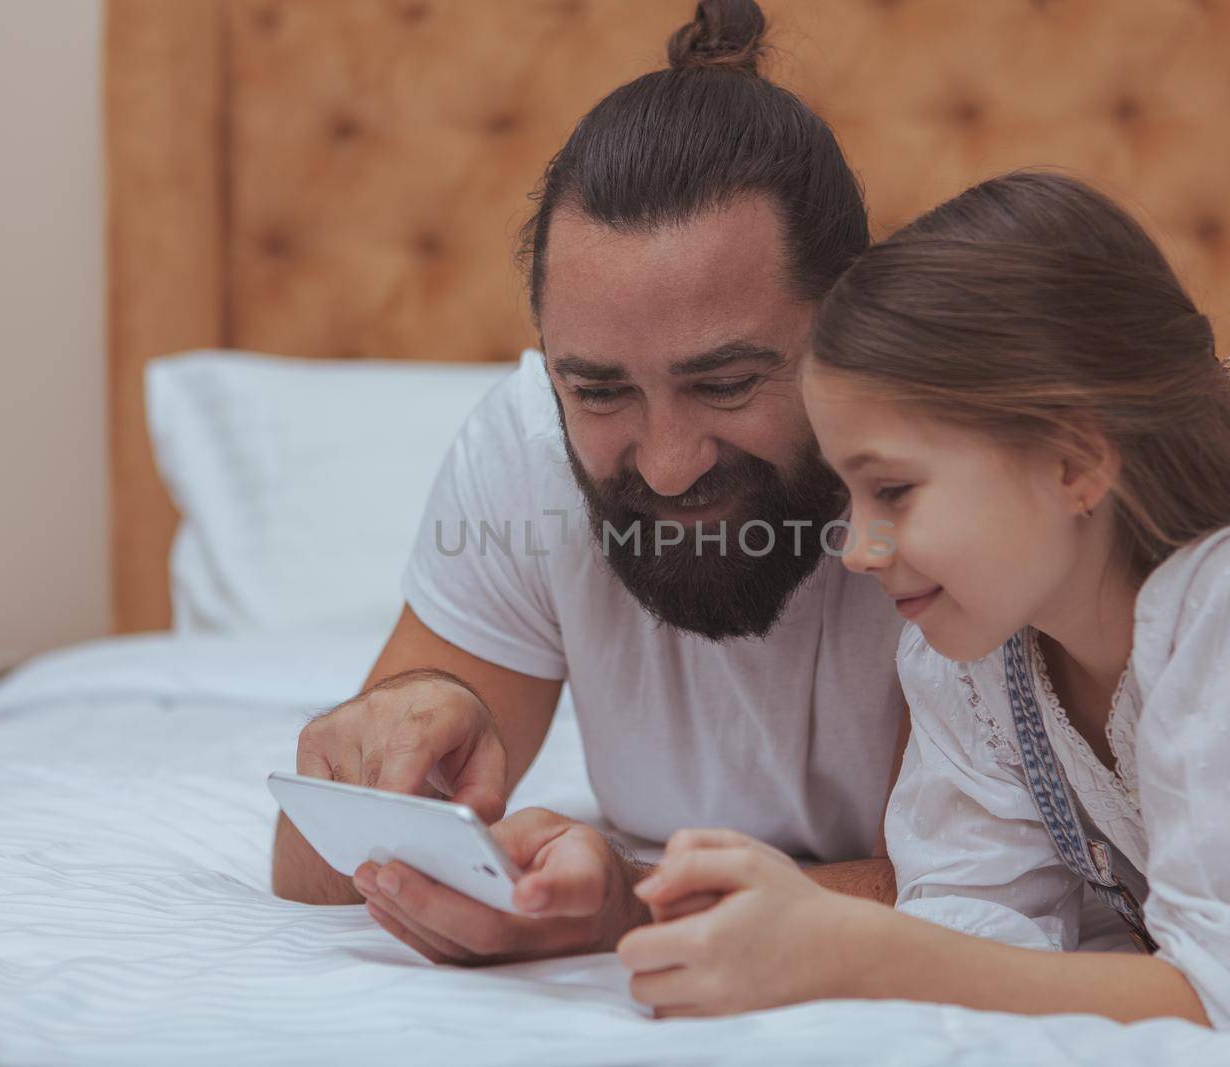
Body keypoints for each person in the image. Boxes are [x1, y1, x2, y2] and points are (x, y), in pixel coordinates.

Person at [618, 170, 1230, 1026]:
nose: (858, 553)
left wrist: (858, 952)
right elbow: (970, 923)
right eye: (850, 497)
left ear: (1074, 461)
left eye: (896, 491)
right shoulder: (975, 659)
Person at [271, 0, 909, 964]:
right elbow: (312, 871)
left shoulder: (953, 470)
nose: (666, 461)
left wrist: (637, 906)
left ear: (851, 326)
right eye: (600, 390)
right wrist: (371, 761)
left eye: (727, 383)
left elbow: (978, 885)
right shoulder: (527, 452)